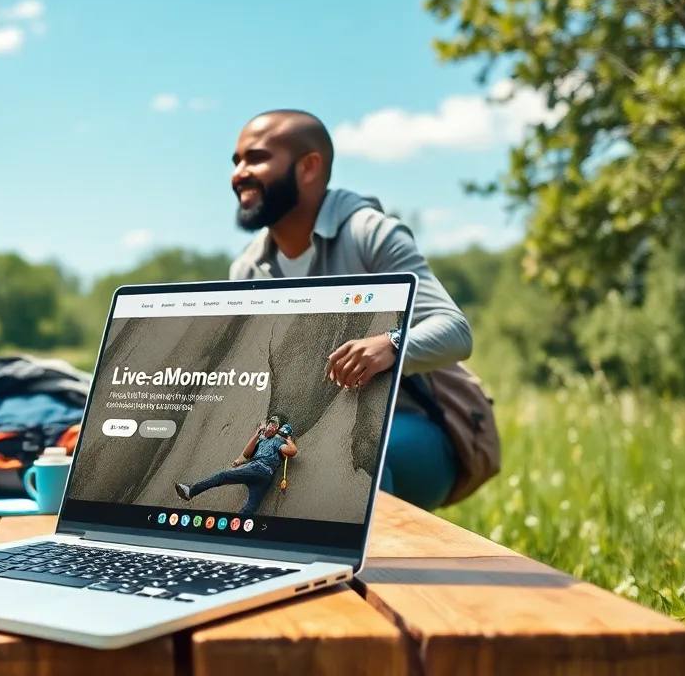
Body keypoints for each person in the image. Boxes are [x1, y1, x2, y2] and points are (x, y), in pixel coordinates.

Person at [226, 109, 475, 511]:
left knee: (352, 458)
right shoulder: (248, 268)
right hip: (299, 432)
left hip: (410, 428)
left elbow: (455, 330)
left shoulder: (370, 234)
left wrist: (391, 344)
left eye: (255, 158)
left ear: (309, 167)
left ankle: (365, 574)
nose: (239, 173)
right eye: (236, 161)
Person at [175, 415, 296, 515]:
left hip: (258, 468)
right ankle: (234, 534)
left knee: (222, 476)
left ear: (277, 430)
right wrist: (257, 435)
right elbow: (247, 454)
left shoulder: (277, 441)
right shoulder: (262, 440)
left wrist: (287, 439)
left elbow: (292, 451)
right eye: (269, 424)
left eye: (274, 425)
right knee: (249, 509)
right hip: (263, 476)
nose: (270, 427)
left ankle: (191, 491)